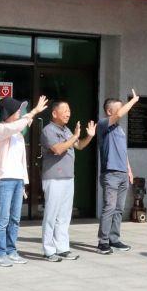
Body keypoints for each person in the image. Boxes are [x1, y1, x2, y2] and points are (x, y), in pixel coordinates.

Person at [0, 94, 49, 267]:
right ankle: (0, 254)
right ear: (8, 112)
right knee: (2, 219)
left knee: (15, 219)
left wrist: (24, 181)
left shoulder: (17, 134)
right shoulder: (0, 129)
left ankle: (11, 251)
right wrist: (34, 111)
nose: (19, 112)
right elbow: (20, 123)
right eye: (17, 110)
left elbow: (21, 159)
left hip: (17, 180)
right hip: (4, 179)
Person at [40, 101, 94, 261]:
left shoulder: (67, 130)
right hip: (54, 177)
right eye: (64, 110)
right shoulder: (48, 130)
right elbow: (58, 149)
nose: (68, 113)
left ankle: (62, 248)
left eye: (69, 110)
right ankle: (49, 250)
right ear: (54, 113)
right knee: (51, 215)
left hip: (68, 177)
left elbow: (79, 145)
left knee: (64, 216)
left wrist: (89, 136)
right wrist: (75, 136)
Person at [95, 90, 140, 254]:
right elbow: (120, 113)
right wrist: (133, 101)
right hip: (110, 174)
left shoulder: (120, 130)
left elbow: (123, 152)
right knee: (109, 207)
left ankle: (114, 239)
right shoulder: (103, 125)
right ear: (109, 111)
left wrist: (129, 170)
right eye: (118, 108)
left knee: (119, 209)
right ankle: (103, 242)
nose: (122, 111)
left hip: (122, 174)